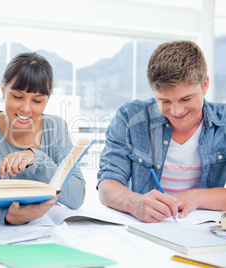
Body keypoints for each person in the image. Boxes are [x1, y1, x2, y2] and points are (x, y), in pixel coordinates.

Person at [97, 40, 226, 223]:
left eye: (185, 98)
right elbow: (107, 185)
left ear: (205, 85)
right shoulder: (130, 117)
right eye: (164, 101)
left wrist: (195, 197)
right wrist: (134, 203)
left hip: (202, 233)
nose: (176, 111)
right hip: (147, 230)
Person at [0, 52, 85, 225]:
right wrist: (9, 216)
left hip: (48, 228)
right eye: (18, 97)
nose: (26, 108)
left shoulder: (56, 128)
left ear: (47, 100)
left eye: (37, 100)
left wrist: (36, 158)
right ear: (3, 90)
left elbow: (77, 196)